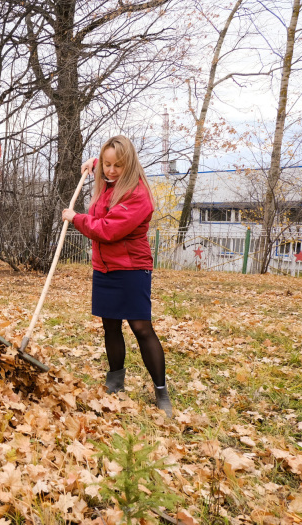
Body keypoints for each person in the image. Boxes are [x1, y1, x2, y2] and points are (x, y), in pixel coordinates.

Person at [62, 135, 173, 417]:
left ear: (130, 164)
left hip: (132, 268)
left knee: (141, 328)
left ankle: (161, 392)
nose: (111, 171)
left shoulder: (138, 195)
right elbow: (106, 166)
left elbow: (108, 230)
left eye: (117, 166)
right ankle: (115, 383)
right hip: (104, 268)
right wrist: (96, 163)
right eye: (107, 165)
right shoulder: (108, 181)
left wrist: (75, 218)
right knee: (110, 327)